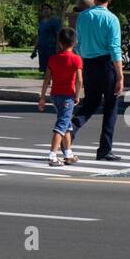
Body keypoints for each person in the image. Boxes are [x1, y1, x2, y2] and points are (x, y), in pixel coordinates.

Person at [70, 0, 125, 161]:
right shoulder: (112, 19)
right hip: (107, 64)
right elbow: (115, 48)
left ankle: (70, 130)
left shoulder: (82, 17)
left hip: (89, 65)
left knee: (90, 104)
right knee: (110, 107)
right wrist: (120, 76)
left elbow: (77, 45)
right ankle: (104, 150)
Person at [37, 25, 83, 166]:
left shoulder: (53, 59)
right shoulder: (76, 59)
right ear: (75, 43)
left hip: (55, 96)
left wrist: (42, 97)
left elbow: (46, 79)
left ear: (60, 43)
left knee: (67, 124)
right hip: (67, 96)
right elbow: (79, 80)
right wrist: (77, 95)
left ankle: (68, 154)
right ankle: (52, 155)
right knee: (62, 125)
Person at [31, 3, 63, 73]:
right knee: (44, 67)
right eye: (44, 9)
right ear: (41, 12)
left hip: (51, 48)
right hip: (42, 48)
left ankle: (53, 82)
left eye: (47, 9)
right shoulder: (41, 22)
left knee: (52, 66)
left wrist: (57, 47)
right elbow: (39, 36)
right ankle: (47, 82)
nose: (46, 10)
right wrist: (35, 50)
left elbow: (58, 35)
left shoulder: (55, 21)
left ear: (51, 11)